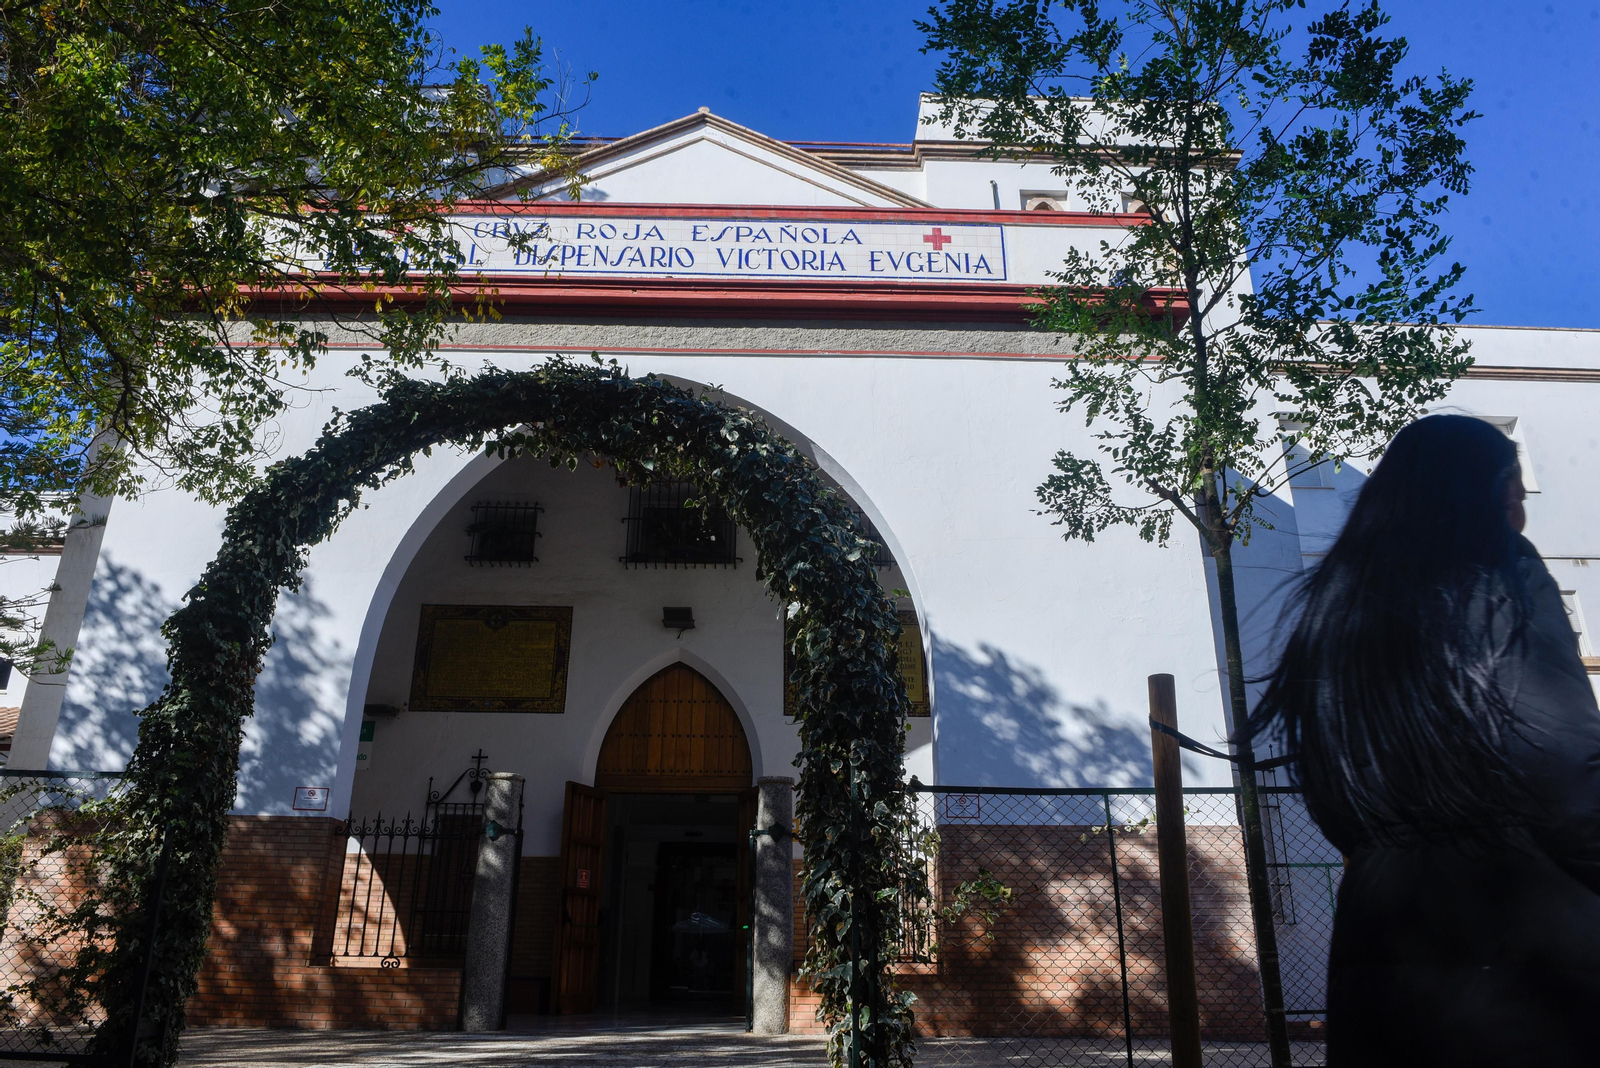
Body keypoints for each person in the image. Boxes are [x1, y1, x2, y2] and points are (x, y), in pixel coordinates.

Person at [1249, 414, 1600, 1065]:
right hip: (1520, 949)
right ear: (1483, 493)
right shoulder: (1498, 571)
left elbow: (1327, 792)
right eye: (1515, 492)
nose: (1521, 514)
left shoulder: (1338, 602)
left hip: (1378, 940)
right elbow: (1563, 761)